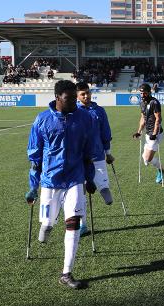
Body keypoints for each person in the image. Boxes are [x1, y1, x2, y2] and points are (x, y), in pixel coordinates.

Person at [25, 80, 96, 289]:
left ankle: (66, 272)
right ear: (58, 98)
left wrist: (89, 178)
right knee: (48, 223)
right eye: (69, 98)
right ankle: (46, 226)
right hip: (50, 180)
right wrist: (33, 185)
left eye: (75, 97)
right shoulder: (42, 120)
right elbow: (35, 156)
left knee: (73, 224)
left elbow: (88, 152)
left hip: (75, 178)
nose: (74, 101)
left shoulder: (85, 118)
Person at [76, 82, 114, 233]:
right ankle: (82, 224)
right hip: (78, 157)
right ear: (77, 96)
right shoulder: (73, 112)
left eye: (87, 93)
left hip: (97, 154)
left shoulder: (99, 110)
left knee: (102, 185)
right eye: (82, 94)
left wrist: (108, 152)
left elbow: (106, 132)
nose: (86, 96)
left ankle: (103, 188)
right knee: (81, 191)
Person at [132, 83, 164, 184]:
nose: (142, 95)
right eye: (141, 93)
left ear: (149, 92)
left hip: (156, 133)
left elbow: (158, 119)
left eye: (144, 93)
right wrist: (139, 131)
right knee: (146, 161)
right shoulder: (142, 103)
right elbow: (143, 117)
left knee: (147, 158)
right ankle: (158, 167)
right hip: (148, 133)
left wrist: (154, 134)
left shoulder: (154, 102)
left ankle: (161, 170)